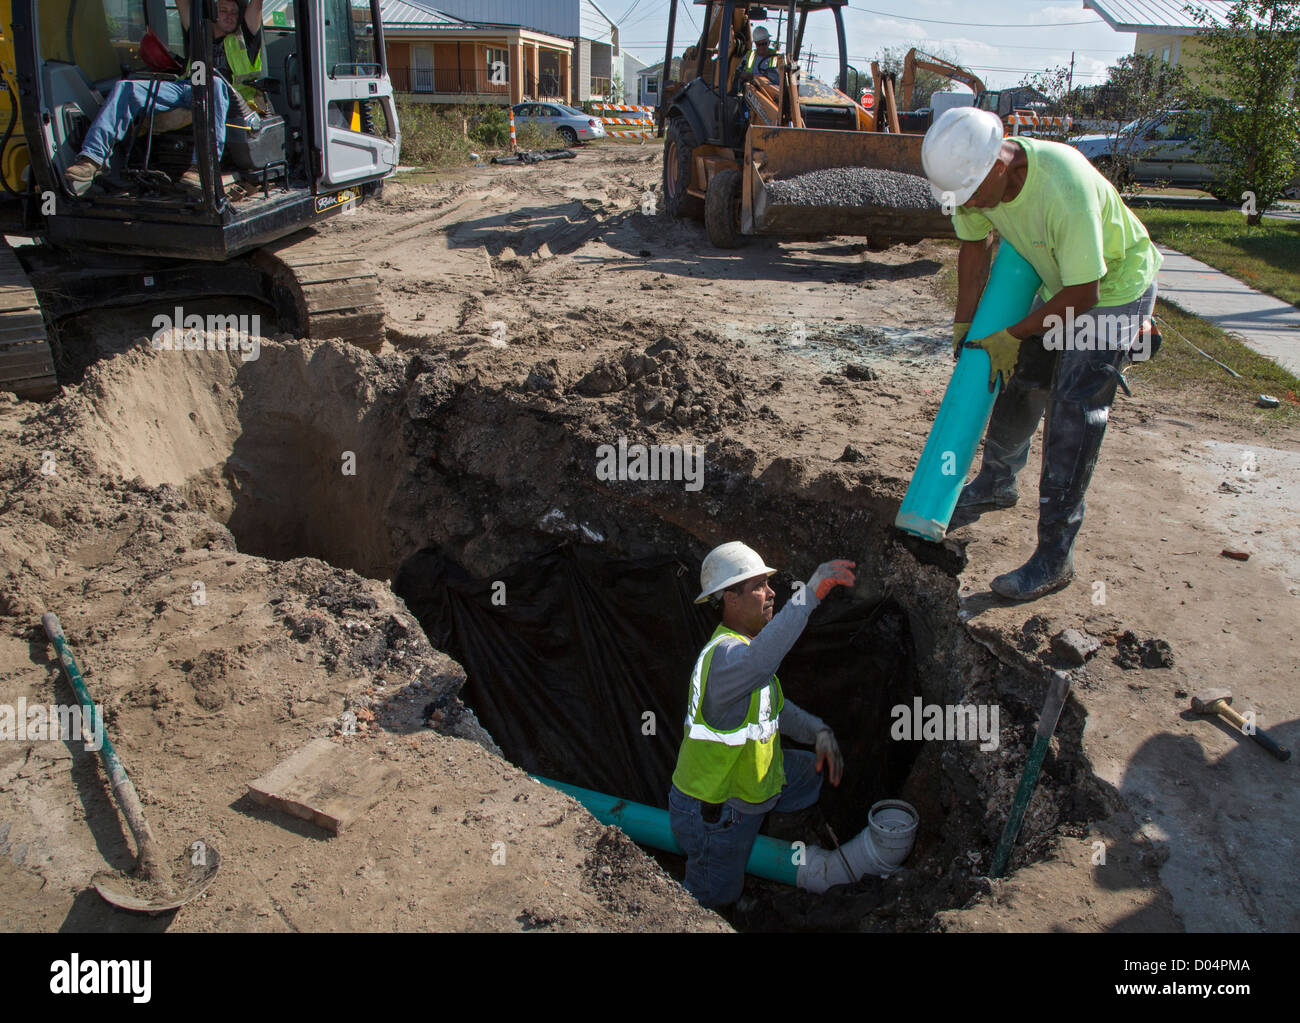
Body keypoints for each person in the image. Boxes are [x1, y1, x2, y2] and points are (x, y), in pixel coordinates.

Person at [922, 106, 1163, 601]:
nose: (967, 205)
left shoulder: (1063, 185)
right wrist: (966, 324)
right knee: (1020, 377)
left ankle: (1055, 556)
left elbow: (1084, 294)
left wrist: (1017, 331)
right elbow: (973, 250)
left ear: (998, 165)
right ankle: (997, 481)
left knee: (1074, 409)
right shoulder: (975, 186)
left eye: (970, 194)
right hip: (1060, 280)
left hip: (1113, 287)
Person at [668, 541, 855, 909]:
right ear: (730, 599)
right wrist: (809, 595)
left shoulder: (742, 649)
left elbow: (774, 710)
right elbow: (761, 662)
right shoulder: (728, 658)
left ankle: (782, 833)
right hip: (717, 812)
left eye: (768, 584)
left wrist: (816, 731)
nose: (771, 593)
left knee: (806, 772)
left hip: (750, 784)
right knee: (714, 897)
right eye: (758, 586)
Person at [64, 0, 264, 197]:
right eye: (223, 10)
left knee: (214, 83)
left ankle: (202, 168)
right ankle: (92, 159)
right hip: (187, 88)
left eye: (233, 12)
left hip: (230, 98)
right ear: (212, 13)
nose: (229, 15)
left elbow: (256, 5)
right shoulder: (197, 32)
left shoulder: (245, 38)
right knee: (127, 87)